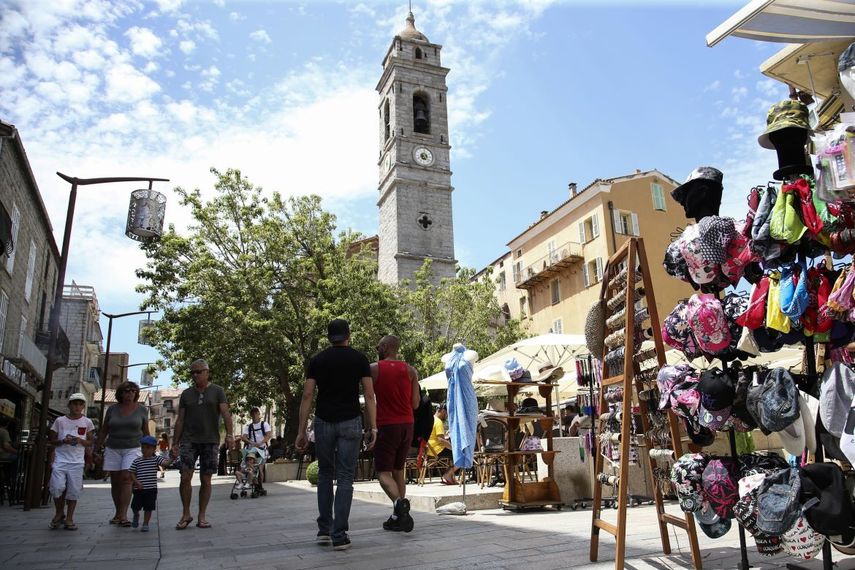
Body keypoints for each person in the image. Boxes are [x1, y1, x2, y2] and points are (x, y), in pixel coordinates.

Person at [296, 318, 377, 551]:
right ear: (348, 336)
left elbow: (307, 395)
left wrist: (301, 430)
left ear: (328, 337)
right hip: (350, 421)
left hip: (323, 421)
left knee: (324, 474)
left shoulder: (317, 360)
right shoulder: (359, 359)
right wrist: (373, 427)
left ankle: (324, 530)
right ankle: (339, 534)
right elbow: (369, 396)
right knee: (344, 477)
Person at [171, 358, 234, 530]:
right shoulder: (186, 394)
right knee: (185, 476)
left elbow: (226, 414)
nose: (195, 375)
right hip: (189, 440)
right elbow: (180, 420)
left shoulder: (218, 391)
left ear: (207, 372)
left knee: (206, 479)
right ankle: (186, 513)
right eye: (192, 372)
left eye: (198, 372)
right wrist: (174, 443)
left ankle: (202, 515)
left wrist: (229, 435)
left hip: (210, 440)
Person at [370, 335, 419, 533]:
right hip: (407, 424)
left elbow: (369, 398)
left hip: (386, 425)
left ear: (385, 347)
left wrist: (370, 427)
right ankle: (398, 517)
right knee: (399, 470)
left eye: (378, 346)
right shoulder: (411, 371)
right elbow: (415, 404)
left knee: (383, 472)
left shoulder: (373, 369)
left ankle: (400, 504)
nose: (377, 349)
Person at [94, 381, 149, 527]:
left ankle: (124, 514)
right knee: (116, 482)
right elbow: (104, 430)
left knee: (126, 477)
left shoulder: (142, 410)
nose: (129, 393)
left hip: (133, 447)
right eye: (126, 391)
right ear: (121, 393)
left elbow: (146, 432)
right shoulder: (112, 409)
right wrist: (96, 449)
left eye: (132, 391)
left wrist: (149, 451)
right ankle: (118, 513)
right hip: (113, 448)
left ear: (136, 394)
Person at [48, 393, 95, 531]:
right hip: (60, 459)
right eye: (75, 403)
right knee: (57, 487)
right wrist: (63, 441)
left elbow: (90, 441)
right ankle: (59, 512)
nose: (77, 406)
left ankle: (69, 518)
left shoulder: (87, 422)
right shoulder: (59, 421)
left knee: (73, 491)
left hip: (77, 461)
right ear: (69, 405)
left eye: (80, 404)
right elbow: (52, 440)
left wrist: (80, 440)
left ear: (83, 406)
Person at [129, 435, 174, 532]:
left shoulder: (156, 459)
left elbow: (166, 463)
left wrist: (172, 458)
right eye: (143, 447)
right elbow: (131, 472)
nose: (144, 450)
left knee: (148, 508)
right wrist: (136, 482)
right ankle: (136, 515)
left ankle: (145, 524)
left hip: (151, 489)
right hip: (139, 489)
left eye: (148, 448)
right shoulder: (137, 461)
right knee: (135, 506)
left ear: (153, 449)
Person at [240, 407, 271, 491]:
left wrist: (260, 443)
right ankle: (254, 482)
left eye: (255, 413)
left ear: (258, 414)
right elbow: (244, 437)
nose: (254, 415)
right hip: (252, 449)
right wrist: (252, 443)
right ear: (251, 415)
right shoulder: (248, 426)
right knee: (251, 465)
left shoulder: (264, 424)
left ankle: (259, 485)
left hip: (262, 449)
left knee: (260, 468)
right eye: (252, 414)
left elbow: (268, 435)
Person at [427, 404, 458, 485]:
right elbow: (441, 440)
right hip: (437, 450)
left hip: (429, 450)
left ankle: (449, 475)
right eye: (447, 413)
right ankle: (448, 474)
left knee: (454, 454)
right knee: (461, 455)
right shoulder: (438, 422)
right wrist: (454, 448)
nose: (447, 416)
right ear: (443, 411)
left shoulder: (430, 419)